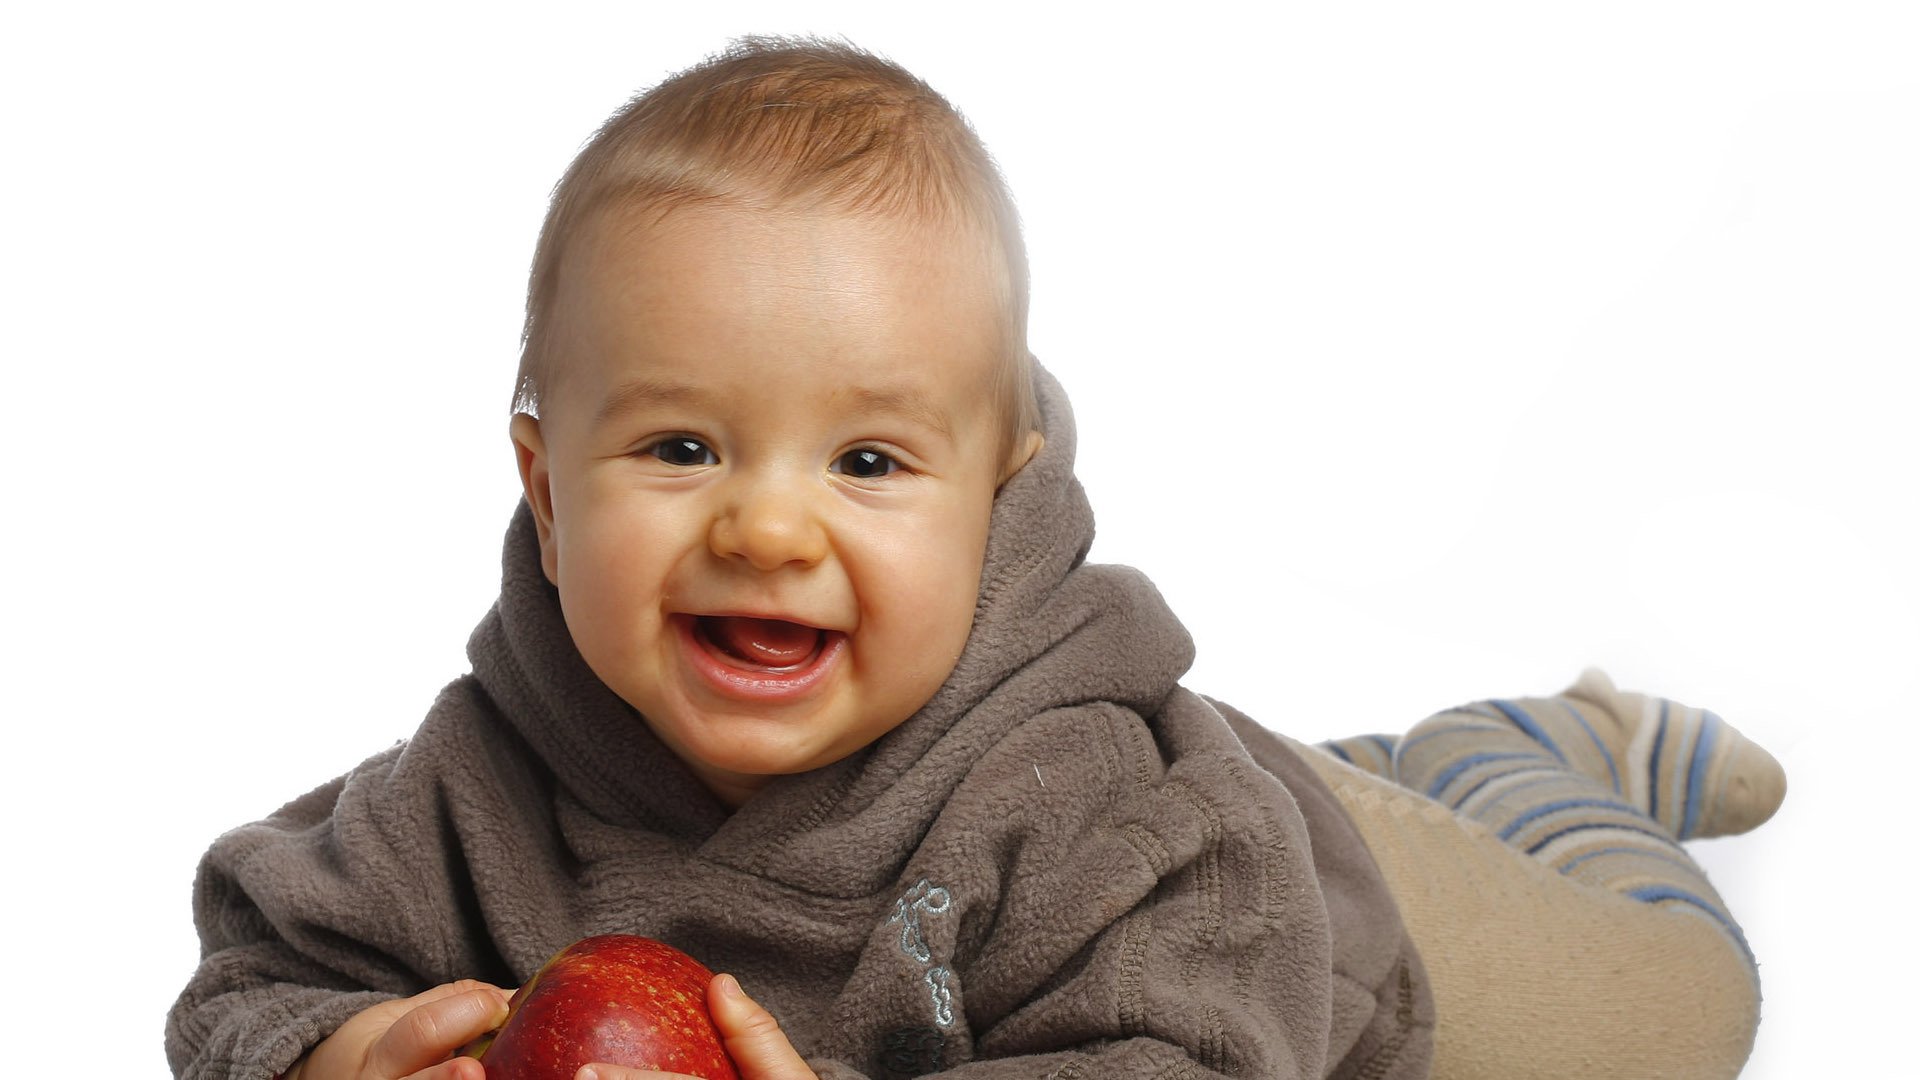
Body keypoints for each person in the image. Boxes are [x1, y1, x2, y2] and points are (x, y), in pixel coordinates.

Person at [167, 38, 1784, 1080]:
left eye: (868, 462)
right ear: (541, 479)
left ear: (993, 491)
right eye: (680, 447)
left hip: (1328, 944)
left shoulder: (1112, 808)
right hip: (1205, 804)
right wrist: (340, 1055)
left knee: (1678, 1017)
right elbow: (245, 976)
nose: (767, 527)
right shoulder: (472, 787)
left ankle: (1537, 755)